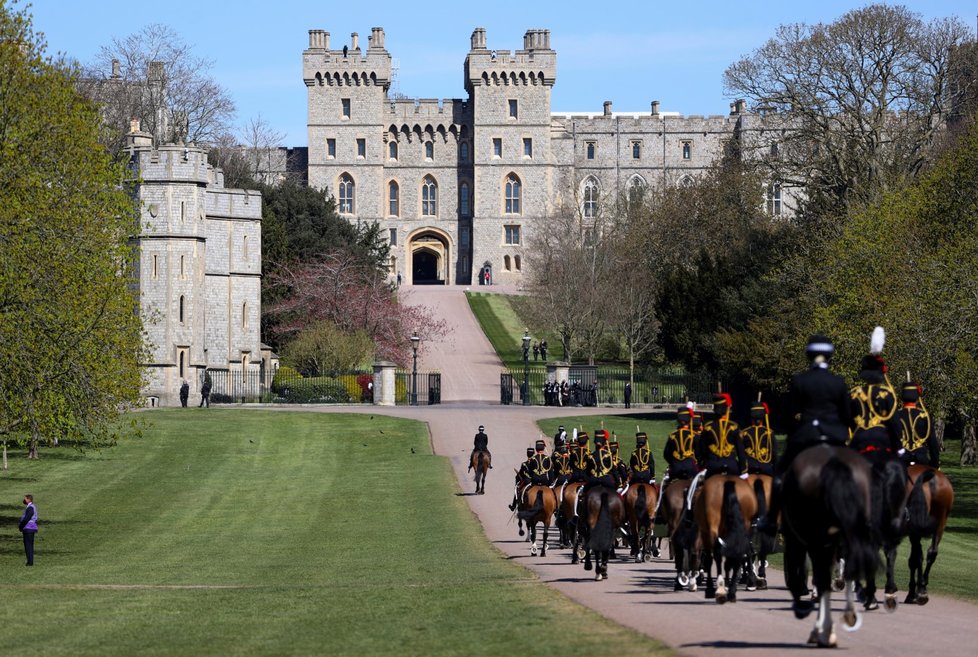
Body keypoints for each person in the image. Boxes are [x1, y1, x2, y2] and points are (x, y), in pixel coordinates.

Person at [757, 334, 854, 535]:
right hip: (833, 438)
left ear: (809, 355)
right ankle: (858, 520)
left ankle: (771, 519)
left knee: (779, 475)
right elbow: (847, 416)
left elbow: (788, 416)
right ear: (830, 356)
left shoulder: (800, 381)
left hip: (806, 437)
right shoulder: (838, 382)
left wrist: (796, 430)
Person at [696, 393, 747, 478]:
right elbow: (740, 452)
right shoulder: (734, 427)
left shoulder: (707, 427)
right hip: (732, 465)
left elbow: (703, 451)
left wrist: (704, 463)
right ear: (726, 409)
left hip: (713, 466)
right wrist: (743, 470)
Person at [898, 382, 940, 468]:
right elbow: (933, 444)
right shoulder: (925, 416)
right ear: (917, 397)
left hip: (901, 458)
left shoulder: (896, 415)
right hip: (921, 458)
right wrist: (935, 464)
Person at [742, 401, 777, 476]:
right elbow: (774, 454)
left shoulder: (744, 432)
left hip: (749, 467)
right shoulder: (770, 432)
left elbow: (741, 453)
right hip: (766, 467)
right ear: (763, 417)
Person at [663, 407, 698, 481]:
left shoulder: (672, 435)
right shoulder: (694, 435)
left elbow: (666, 454)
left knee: (666, 485)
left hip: (676, 467)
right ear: (689, 420)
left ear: (678, 420)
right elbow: (700, 452)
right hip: (690, 466)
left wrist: (673, 462)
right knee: (699, 484)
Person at [19, 494, 38, 566]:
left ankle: (30, 562)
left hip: (28, 528)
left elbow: (26, 518)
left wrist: (21, 526)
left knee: (28, 546)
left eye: (25, 499)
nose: (24, 500)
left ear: (28, 499)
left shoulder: (30, 508)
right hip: (31, 528)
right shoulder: (32, 507)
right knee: (29, 545)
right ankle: (30, 561)